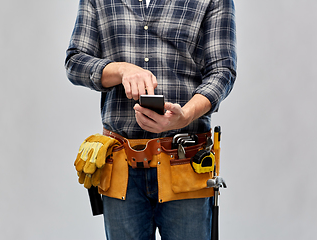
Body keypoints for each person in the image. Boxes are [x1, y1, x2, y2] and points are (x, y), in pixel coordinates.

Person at [65, 0, 237, 239]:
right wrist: (121, 70)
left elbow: (222, 70)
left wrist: (185, 115)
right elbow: (75, 62)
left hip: (186, 162)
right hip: (121, 165)